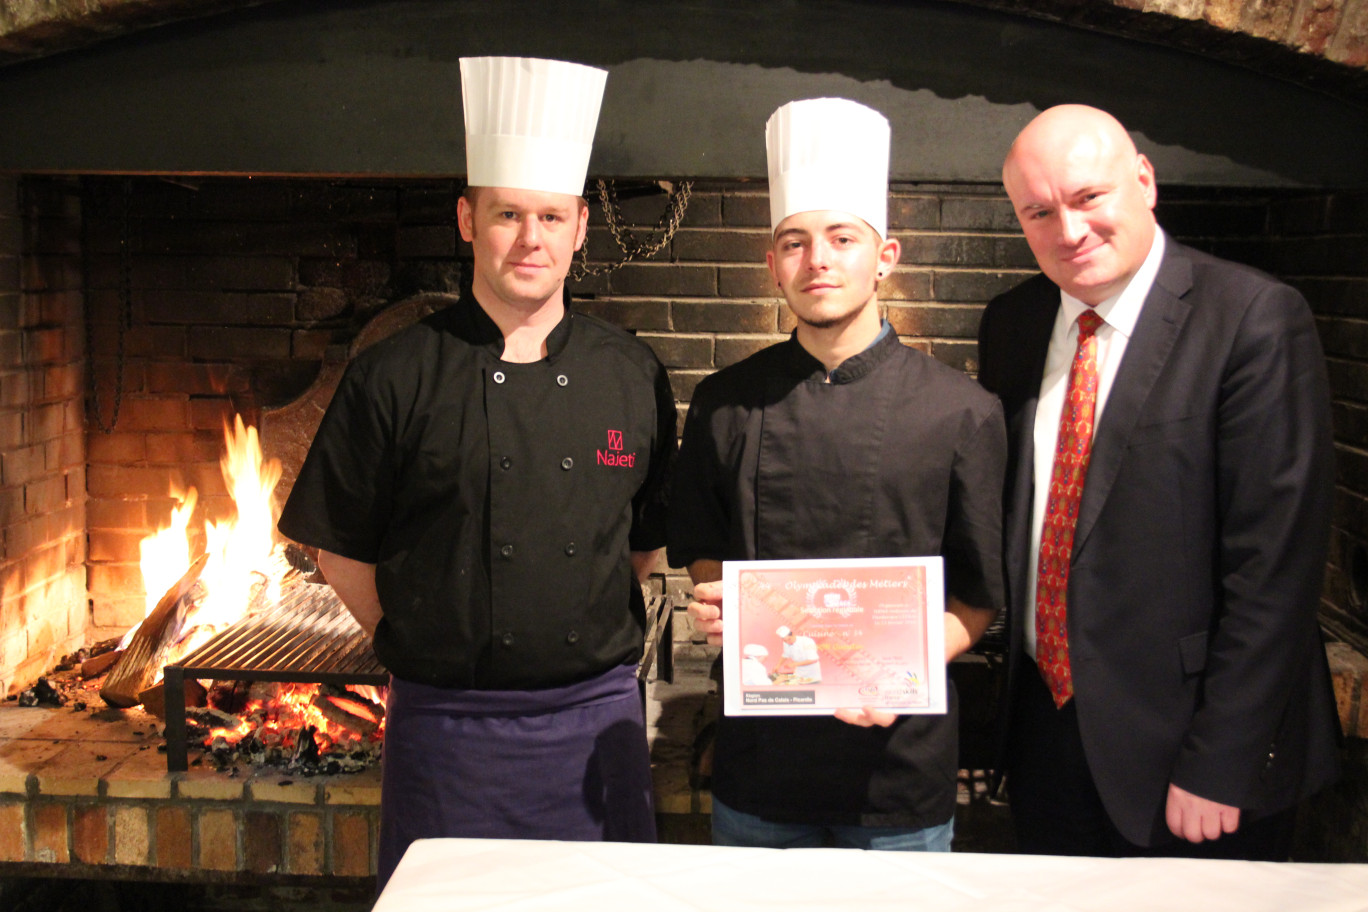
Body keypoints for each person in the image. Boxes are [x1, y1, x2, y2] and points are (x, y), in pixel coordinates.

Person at [277, 56, 676, 890]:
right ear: (467, 220)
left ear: (579, 229)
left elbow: (643, 542)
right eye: (507, 215)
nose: (530, 240)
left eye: (550, 217)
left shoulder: (630, 371)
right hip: (446, 728)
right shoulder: (393, 375)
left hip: (592, 725)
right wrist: (413, 636)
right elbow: (338, 549)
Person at [976, 103, 1340, 859]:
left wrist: (1222, 759)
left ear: (1143, 180)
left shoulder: (1253, 318)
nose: (1068, 231)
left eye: (1087, 199)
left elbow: (1276, 568)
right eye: (1039, 212)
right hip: (1048, 732)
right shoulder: (1011, 323)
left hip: (1192, 748)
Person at [669, 97, 1006, 851]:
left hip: (897, 775)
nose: (817, 259)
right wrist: (719, 599)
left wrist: (892, 671)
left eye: (841, 237)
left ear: (885, 256)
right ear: (772, 263)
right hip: (760, 771)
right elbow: (702, 548)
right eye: (794, 241)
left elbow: (979, 598)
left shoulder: (962, 412)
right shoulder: (725, 402)